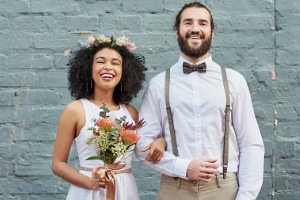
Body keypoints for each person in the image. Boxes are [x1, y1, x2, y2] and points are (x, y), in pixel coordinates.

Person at [135, 2, 264, 200]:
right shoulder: (158, 84)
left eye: (203, 23)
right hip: (174, 189)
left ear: (212, 32)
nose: (195, 28)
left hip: (224, 188)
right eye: (188, 23)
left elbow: (251, 144)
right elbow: (141, 145)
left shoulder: (234, 81)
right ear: (176, 31)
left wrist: (246, 196)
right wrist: (184, 167)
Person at [52, 34, 166, 200]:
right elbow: (58, 164)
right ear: (88, 69)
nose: (108, 67)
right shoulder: (75, 110)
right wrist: (91, 183)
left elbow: (146, 146)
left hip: (125, 191)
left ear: (123, 72)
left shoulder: (131, 112)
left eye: (115, 63)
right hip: (87, 191)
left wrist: (160, 142)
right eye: (100, 61)